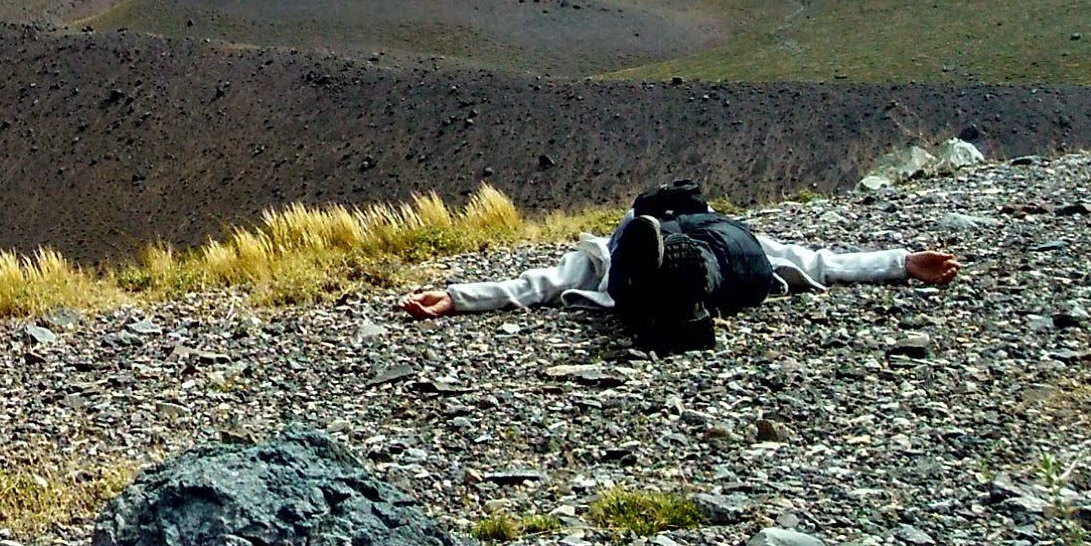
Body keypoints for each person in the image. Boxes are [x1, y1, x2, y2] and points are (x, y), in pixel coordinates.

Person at [393, 182, 959, 352]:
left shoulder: (601, 247)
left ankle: (678, 291)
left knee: (702, 265)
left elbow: (535, 286)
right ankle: (684, 293)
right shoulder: (735, 231)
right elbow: (820, 262)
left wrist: (903, 262)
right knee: (729, 261)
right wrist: (902, 264)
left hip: (691, 268)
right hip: (724, 267)